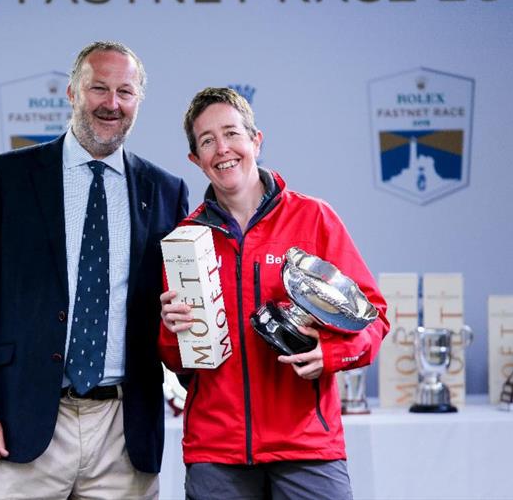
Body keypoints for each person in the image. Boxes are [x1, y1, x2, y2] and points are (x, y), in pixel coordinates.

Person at [0, 41, 188, 500]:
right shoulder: (7, 178)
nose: (111, 103)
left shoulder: (165, 190)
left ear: (138, 101)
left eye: (125, 91)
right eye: (98, 88)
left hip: (125, 430)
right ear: (72, 93)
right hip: (27, 424)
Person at [159, 87, 390, 500]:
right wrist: (169, 331)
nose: (222, 149)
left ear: (256, 141)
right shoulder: (184, 241)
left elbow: (374, 317)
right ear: (195, 159)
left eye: (232, 134)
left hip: (308, 448)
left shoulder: (314, 218)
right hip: (217, 454)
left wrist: (331, 354)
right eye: (207, 141)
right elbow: (178, 362)